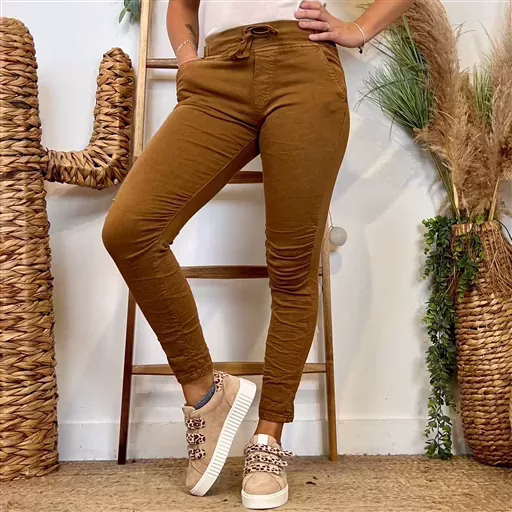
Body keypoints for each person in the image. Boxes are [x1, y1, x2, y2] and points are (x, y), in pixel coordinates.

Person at [102, 0, 415, 508]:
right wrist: (187, 58)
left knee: (291, 268)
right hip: (217, 74)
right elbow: (181, 6)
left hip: (303, 67)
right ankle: (207, 395)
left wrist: (358, 30)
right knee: (130, 229)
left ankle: (268, 439)